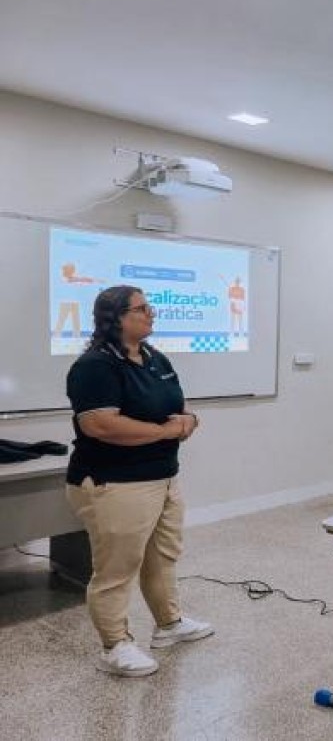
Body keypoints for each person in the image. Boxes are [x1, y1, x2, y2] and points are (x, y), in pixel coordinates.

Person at [65, 285, 212, 677]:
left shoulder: (154, 357)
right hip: (115, 482)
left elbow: (176, 406)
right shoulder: (95, 366)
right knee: (117, 567)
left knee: (163, 556)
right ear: (116, 318)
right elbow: (100, 425)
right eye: (142, 308)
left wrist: (189, 420)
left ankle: (169, 624)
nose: (151, 313)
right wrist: (166, 431)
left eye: (150, 307)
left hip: (163, 476)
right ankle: (114, 645)